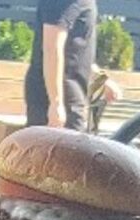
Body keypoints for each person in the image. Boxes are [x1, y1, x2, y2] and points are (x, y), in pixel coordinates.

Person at [25, 0, 116, 130]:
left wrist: (100, 79)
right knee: (63, 149)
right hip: (61, 95)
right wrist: (56, 103)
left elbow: (75, 51)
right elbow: (52, 48)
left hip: (72, 95)